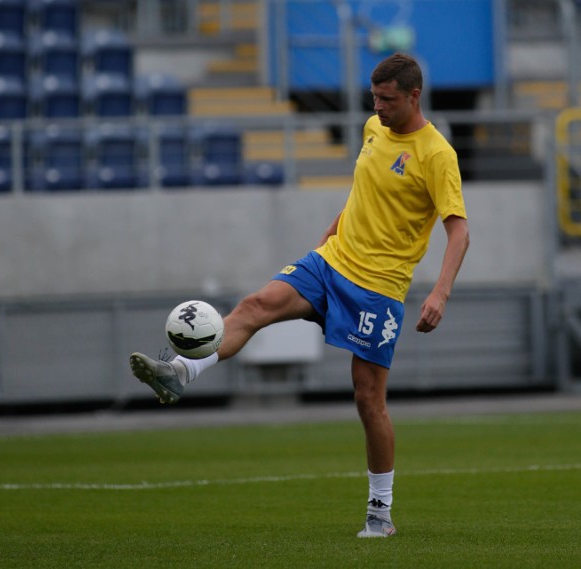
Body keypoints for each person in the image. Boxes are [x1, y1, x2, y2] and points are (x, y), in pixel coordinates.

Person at [129, 52, 469, 538]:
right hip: (330, 264)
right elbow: (361, 196)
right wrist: (325, 241)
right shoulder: (375, 130)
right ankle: (180, 372)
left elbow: (459, 232)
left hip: (377, 290)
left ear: (413, 96)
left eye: (387, 99)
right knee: (255, 306)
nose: (377, 107)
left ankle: (380, 513)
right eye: (373, 97)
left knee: (368, 400)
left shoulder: (437, 154)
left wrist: (440, 292)